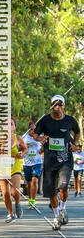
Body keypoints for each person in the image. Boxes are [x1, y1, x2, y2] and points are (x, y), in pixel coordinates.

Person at [34, 94, 81, 230]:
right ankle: (56, 217)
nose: (58, 107)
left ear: (64, 106)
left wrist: (75, 144)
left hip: (65, 158)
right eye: (55, 104)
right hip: (50, 160)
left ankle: (63, 209)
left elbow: (77, 132)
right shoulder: (45, 120)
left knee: (63, 187)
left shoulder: (70, 120)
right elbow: (35, 134)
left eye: (61, 104)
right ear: (52, 106)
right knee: (51, 192)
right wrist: (40, 139)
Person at [0, 119, 26, 222]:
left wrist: (21, 154)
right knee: (5, 193)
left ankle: (17, 203)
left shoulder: (18, 138)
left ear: (14, 127)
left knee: (14, 192)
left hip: (15, 167)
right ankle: (10, 214)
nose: (8, 126)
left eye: (11, 124)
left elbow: (24, 149)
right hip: (2, 168)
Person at [21, 121, 43, 211]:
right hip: (27, 163)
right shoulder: (24, 138)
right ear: (29, 129)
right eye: (32, 129)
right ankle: (30, 200)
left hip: (37, 162)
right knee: (29, 183)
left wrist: (42, 149)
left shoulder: (39, 138)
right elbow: (19, 148)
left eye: (35, 129)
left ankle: (33, 200)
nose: (33, 131)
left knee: (35, 180)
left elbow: (42, 150)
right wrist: (25, 146)